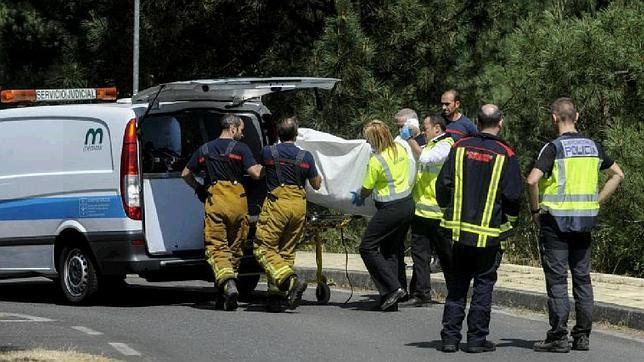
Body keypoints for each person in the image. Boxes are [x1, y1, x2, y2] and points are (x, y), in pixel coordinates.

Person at [528, 98, 624, 353]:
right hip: (584, 223)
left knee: (558, 281)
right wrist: (597, 201)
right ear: (577, 117)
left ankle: (558, 337)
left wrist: (535, 210)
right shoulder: (593, 146)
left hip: (556, 225)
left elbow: (532, 181)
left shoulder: (553, 148)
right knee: (582, 279)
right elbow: (618, 175)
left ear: (553, 118)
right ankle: (582, 336)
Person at [436, 104, 522, 353]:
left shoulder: (460, 147)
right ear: (501, 123)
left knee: (457, 286)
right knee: (483, 286)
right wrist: (508, 226)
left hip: (458, 232)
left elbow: (443, 184)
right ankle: (476, 340)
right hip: (489, 235)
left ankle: (450, 339)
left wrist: (447, 212)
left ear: (476, 121)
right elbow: (513, 196)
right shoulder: (506, 153)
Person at [182, 114, 263, 311]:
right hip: (238, 204)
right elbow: (255, 173)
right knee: (235, 249)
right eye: (241, 130)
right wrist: (267, 163)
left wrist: (199, 189)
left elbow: (185, 174)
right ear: (233, 128)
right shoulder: (242, 149)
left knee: (217, 248)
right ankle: (225, 291)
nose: (242, 134)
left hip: (216, 203)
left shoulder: (205, 149)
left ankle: (227, 284)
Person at [253, 116, 322, 312]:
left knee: (264, 249)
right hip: (298, 207)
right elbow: (316, 185)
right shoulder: (306, 157)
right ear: (296, 134)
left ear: (277, 134)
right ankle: (277, 297)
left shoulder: (268, 152)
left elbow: (258, 174)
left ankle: (290, 282)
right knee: (285, 251)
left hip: (278, 205)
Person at [352, 120, 415, 311]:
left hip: (390, 209)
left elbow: (367, 189)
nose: (368, 143)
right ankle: (394, 295)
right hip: (407, 205)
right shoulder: (399, 149)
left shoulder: (376, 160)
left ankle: (393, 288)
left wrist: (359, 197)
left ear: (375, 140)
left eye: (369, 140)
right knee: (391, 250)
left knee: (367, 247)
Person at [399, 114, 454, 307]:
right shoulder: (431, 143)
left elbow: (426, 158)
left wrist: (410, 139)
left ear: (437, 129)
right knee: (420, 256)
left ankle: (455, 293)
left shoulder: (446, 144)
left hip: (439, 213)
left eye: (427, 128)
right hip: (422, 211)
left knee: (447, 256)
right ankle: (421, 293)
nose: (424, 131)